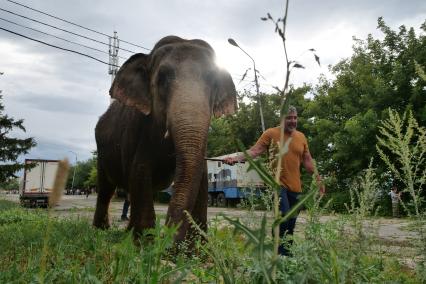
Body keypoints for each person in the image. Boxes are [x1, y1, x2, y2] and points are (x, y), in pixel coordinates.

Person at [224, 106, 325, 256]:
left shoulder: (301, 137)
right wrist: (236, 158)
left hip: (296, 188)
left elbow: (308, 160)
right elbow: (255, 151)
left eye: (295, 118)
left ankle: (287, 254)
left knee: (291, 223)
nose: (292, 121)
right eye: (289, 118)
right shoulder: (271, 133)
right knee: (283, 217)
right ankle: (279, 254)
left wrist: (318, 178)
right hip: (277, 185)